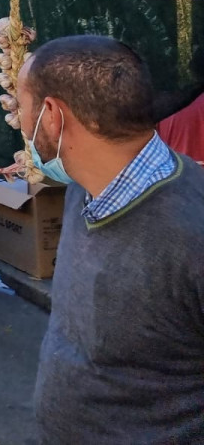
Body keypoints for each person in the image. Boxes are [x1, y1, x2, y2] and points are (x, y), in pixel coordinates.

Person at [21, 36, 204, 444]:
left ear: (51, 116)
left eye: (21, 107)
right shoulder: (80, 188)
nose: (21, 123)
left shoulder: (192, 234)